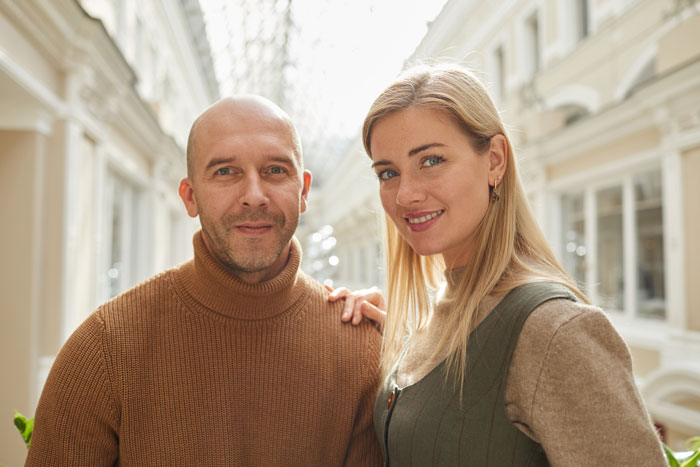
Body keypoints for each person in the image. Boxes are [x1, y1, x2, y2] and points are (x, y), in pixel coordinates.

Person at [329, 64, 666, 466]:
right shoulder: (435, 319)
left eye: (431, 160)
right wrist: (396, 341)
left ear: (494, 160)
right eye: (388, 172)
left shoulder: (555, 331)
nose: (405, 194)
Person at [26, 96, 383, 466]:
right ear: (190, 196)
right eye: (226, 172)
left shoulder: (359, 350)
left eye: (276, 170)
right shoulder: (105, 348)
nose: (254, 196)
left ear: (303, 190)